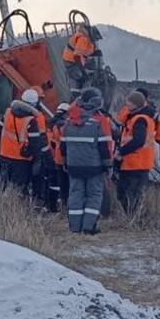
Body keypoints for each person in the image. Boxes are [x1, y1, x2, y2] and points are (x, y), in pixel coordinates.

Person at [61, 88, 113, 234]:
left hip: (74, 167)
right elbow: (104, 148)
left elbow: (62, 147)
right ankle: (89, 227)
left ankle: (74, 228)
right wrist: (108, 165)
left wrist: (66, 163)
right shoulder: (97, 124)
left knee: (75, 195)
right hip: (94, 167)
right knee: (94, 195)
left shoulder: (68, 124)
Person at [115, 90, 155, 217]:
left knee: (131, 194)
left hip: (136, 163)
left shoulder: (140, 120)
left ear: (135, 104)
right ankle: (133, 218)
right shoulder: (138, 118)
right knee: (126, 193)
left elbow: (138, 140)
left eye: (129, 103)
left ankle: (135, 220)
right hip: (134, 163)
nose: (126, 105)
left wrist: (121, 151)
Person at [0, 89, 44, 194]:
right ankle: (16, 208)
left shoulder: (7, 113)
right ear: (34, 104)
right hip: (21, 160)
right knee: (19, 189)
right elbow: (35, 143)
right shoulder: (31, 120)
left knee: (2, 185)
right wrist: (38, 160)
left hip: (4, 155)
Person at [47, 102, 71, 213]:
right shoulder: (65, 125)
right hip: (67, 158)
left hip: (55, 157)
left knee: (59, 183)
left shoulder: (52, 125)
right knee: (68, 183)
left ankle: (60, 205)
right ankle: (67, 206)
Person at [62, 25, 98, 90]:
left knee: (91, 68)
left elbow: (86, 51)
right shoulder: (83, 39)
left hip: (76, 60)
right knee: (82, 76)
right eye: (95, 38)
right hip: (70, 61)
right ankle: (80, 92)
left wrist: (95, 52)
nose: (95, 40)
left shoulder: (88, 40)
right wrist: (83, 71)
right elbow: (76, 56)